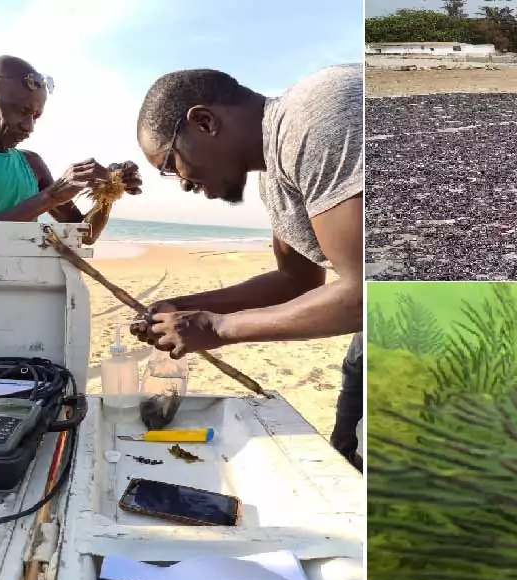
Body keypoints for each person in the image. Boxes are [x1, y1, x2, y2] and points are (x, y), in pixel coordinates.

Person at [130, 64, 363, 470]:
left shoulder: (315, 118)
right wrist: (183, 307)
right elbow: (297, 280)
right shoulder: (273, 175)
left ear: (204, 122)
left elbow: (367, 291)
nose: (182, 183)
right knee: (346, 467)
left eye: (170, 164)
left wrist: (218, 327)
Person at [0, 55, 143, 243]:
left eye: (36, 116)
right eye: (21, 111)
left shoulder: (31, 165)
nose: (29, 126)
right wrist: (49, 197)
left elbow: (85, 234)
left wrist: (108, 192)